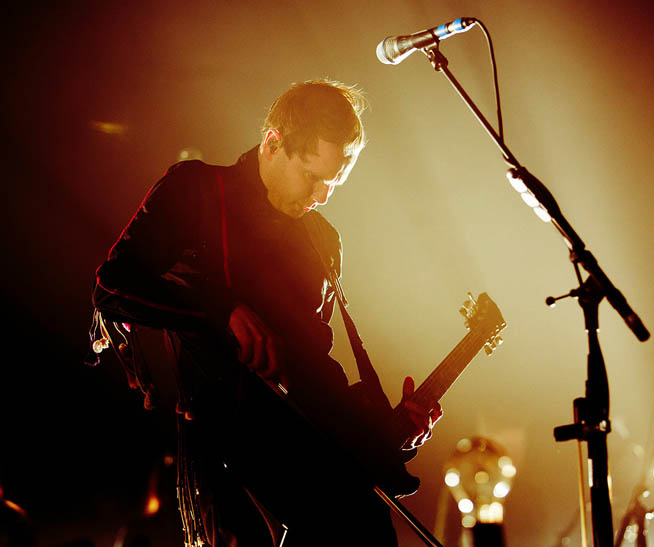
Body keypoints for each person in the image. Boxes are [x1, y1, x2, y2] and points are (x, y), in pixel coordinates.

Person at [89, 79, 442, 546]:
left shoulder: (324, 240)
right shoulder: (195, 189)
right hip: (221, 454)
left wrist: (383, 431)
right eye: (313, 177)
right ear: (273, 143)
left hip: (301, 458)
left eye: (334, 183)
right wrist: (221, 309)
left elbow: (315, 371)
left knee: (367, 527)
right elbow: (112, 286)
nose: (320, 195)